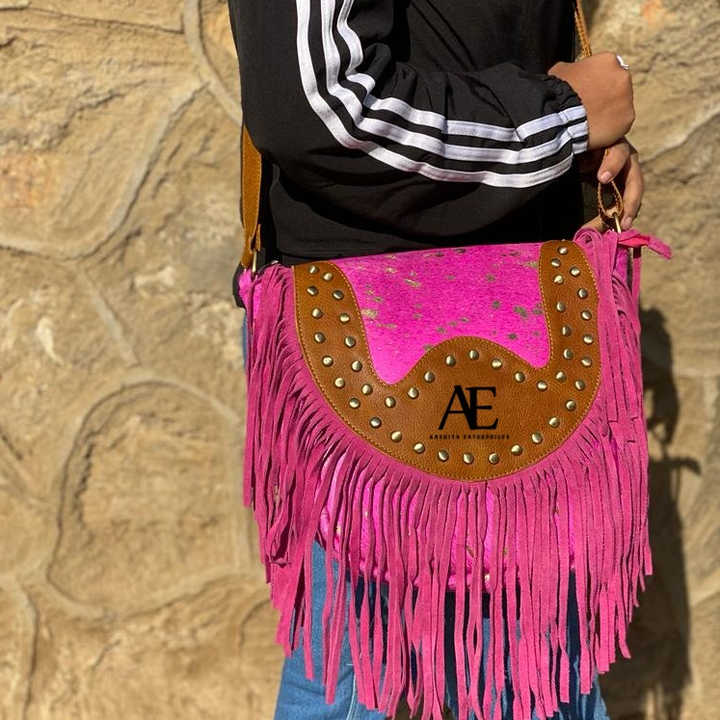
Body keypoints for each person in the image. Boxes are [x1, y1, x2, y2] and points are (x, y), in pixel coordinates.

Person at [227, 1, 644, 718]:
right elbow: (318, 108)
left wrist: (560, 142)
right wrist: (557, 119)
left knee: (532, 674)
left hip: (513, 295)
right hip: (361, 331)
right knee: (370, 678)